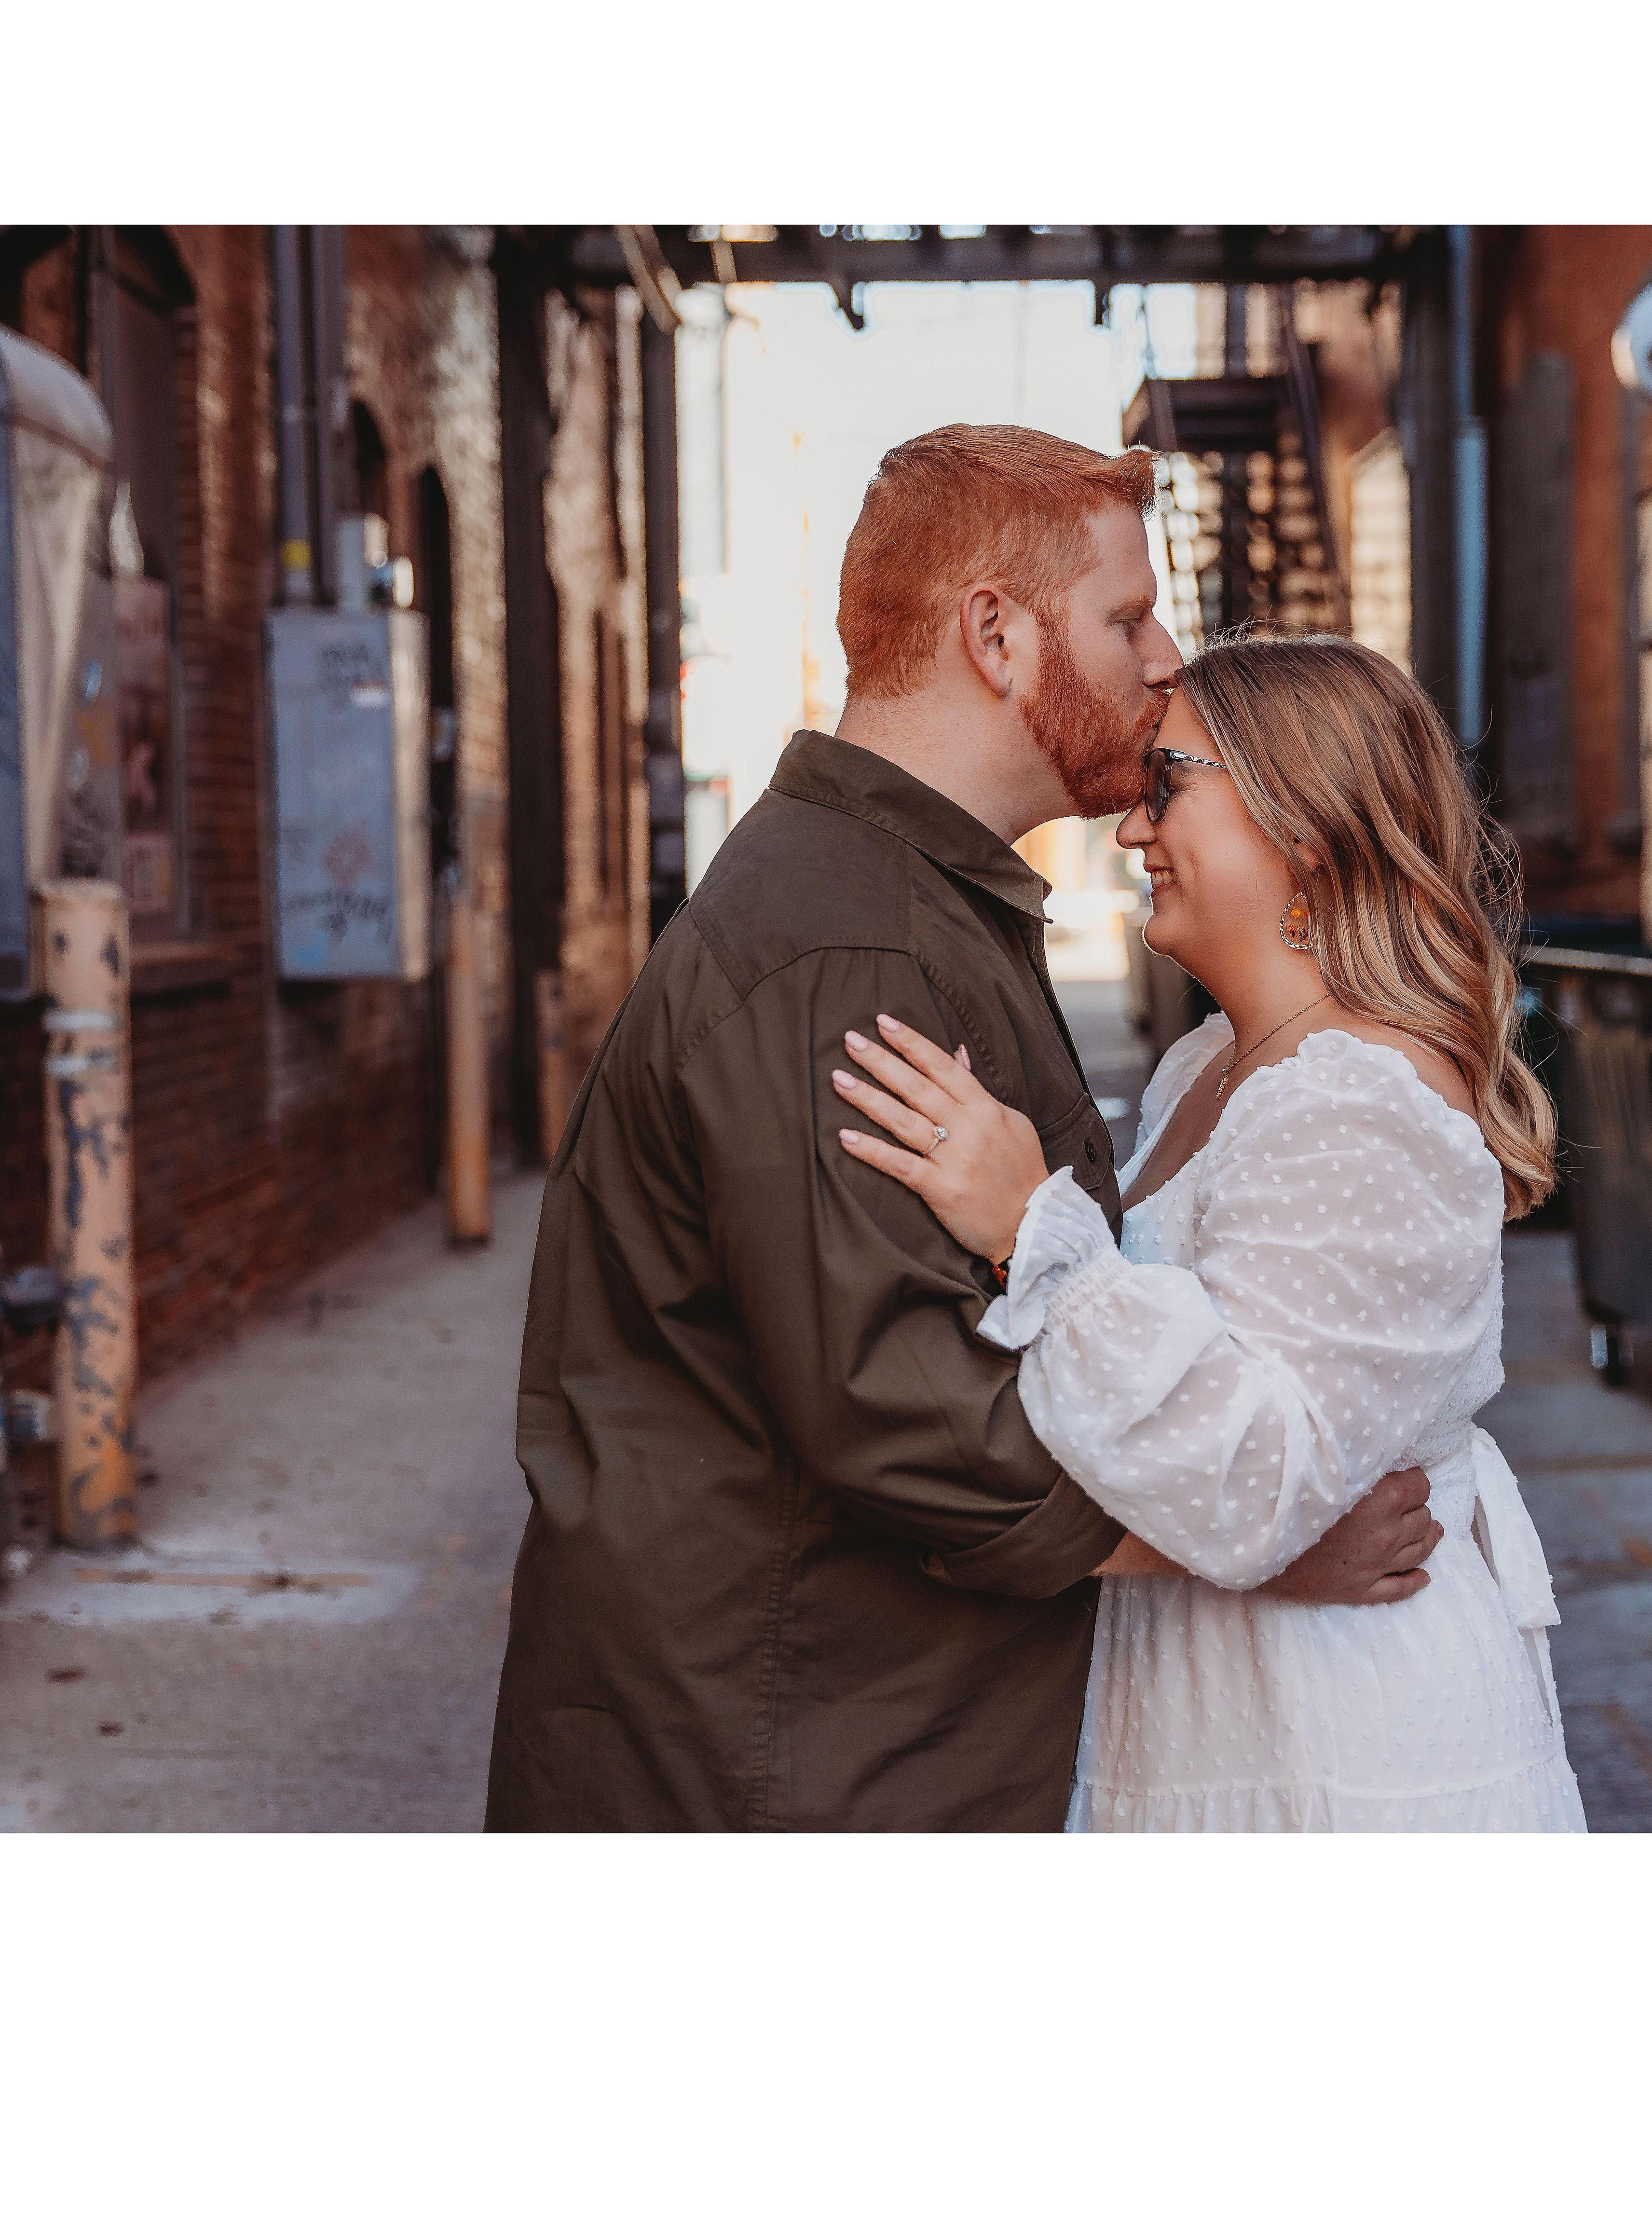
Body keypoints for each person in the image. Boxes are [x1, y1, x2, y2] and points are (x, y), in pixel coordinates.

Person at [484, 425, 1443, 1832]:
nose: (1165, 655)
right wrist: (1257, 1545)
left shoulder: (901, 905)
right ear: (996, 635)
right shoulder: (846, 950)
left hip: (833, 1735)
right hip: (787, 1760)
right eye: (1124, 618)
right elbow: (918, 1418)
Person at [835, 631, 1587, 1832]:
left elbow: (1262, 1477)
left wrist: (1037, 1226)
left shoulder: (1358, 1102)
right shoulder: (1211, 1066)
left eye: (1166, 783)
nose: (1131, 829)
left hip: (1334, 1735)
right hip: (1221, 1691)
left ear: (1305, 826)